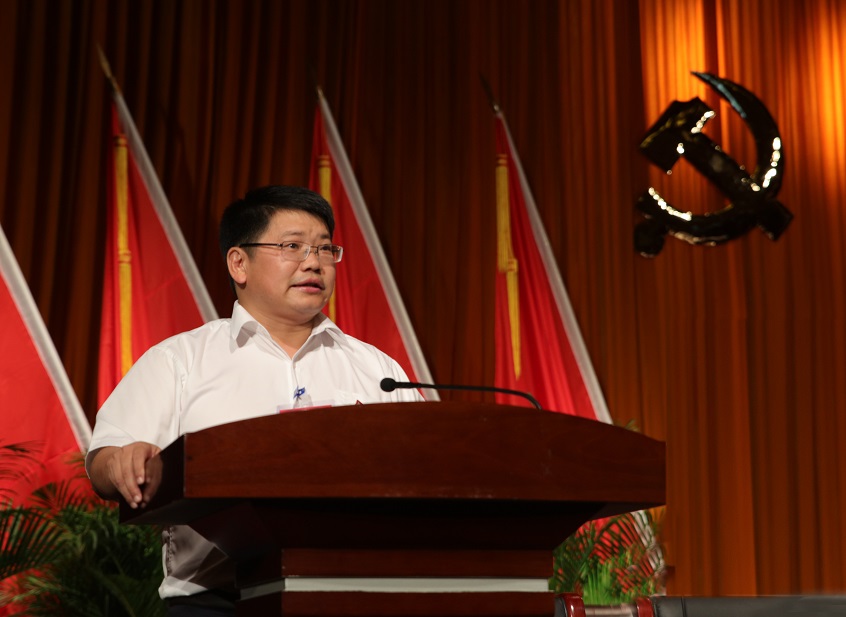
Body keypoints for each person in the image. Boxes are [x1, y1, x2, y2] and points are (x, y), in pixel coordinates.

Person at [86, 185, 423, 616]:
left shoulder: (377, 368)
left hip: (352, 598)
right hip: (219, 603)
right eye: (292, 246)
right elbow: (105, 460)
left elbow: (425, 463)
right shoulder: (181, 360)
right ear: (239, 263)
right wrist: (122, 460)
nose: (314, 262)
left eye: (324, 248)